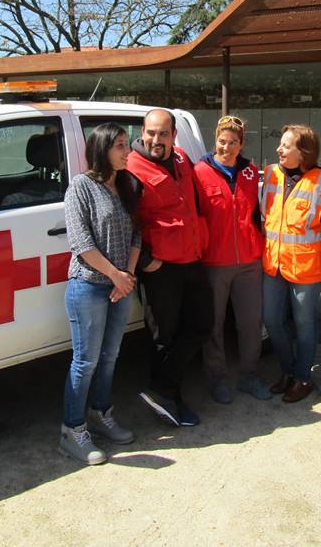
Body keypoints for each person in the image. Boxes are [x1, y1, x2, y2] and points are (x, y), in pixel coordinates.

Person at [60, 123, 140, 466]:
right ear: (103, 148)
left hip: (120, 285)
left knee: (110, 356)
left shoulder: (126, 186)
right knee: (86, 361)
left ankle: (100, 413)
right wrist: (115, 275)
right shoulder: (81, 187)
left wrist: (127, 277)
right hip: (89, 285)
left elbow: (137, 235)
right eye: (120, 145)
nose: (128, 152)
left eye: (127, 145)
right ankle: (72, 430)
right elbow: (81, 244)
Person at [127, 108, 213, 427]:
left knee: (203, 324)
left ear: (174, 136)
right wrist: (147, 261)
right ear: (142, 131)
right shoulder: (131, 169)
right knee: (164, 336)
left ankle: (161, 388)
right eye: (151, 132)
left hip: (191, 259)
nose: (156, 139)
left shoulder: (180, 159)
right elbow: (125, 222)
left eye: (163, 133)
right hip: (160, 268)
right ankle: (170, 399)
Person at [192, 116, 271, 403]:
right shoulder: (199, 171)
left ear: (242, 144)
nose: (226, 147)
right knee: (214, 324)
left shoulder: (250, 172)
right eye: (222, 141)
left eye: (233, 142)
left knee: (251, 323)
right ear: (215, 140)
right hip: (214, 262)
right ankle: (217, 379)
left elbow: (258, 213)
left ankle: (250, 375)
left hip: (250, 261)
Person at [261, 124, 321, 403]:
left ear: (304, 152)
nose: (279, 149)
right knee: (272, 320)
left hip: (307, 266)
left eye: (286, 145)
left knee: (304, 323)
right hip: (273, 262)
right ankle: (288, 370)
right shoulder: (270, 174)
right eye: (281, 144)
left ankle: (302, 377)